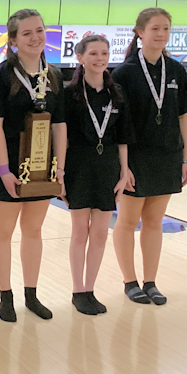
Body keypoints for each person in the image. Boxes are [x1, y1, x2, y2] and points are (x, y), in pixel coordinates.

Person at [0, 9, 67, 321]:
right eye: (28, 33)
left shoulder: (55, 75)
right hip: (9, 165)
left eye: (40, 31)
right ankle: (5, 296)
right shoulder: (0, 75)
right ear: (14, 40)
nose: (36, 38)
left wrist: (58, 167)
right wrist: (4, 170)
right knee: (4, 230)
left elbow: (59, 125)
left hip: (41, 166)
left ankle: (31, 295)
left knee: (33, 230)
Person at [112, 7, 187, 305]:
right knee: (128, 220)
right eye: (155, 28)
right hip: (136, 157)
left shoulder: (176, 70)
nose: (160, 34)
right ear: (140, 32)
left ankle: (151, 281)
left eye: (165, 29)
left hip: (168, 155)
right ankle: (130, 281)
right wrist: (124, 166)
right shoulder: (125, 72)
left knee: (155, 221)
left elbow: (182, 116)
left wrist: (186, 158)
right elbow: (119, 123)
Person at [64, 35, 133, 315]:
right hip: (78, 165)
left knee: (101, 233)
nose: (100, 58)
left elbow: (123, 137)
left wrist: (124, 170)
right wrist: (61, 173)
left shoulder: (116, 93)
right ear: (80, 57)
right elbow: (62, 136)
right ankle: (77, 290)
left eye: (104, 53)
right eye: (93, 53)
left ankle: (90, 289)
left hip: (108, 167)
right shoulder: (69, 94)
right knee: (80, 231)